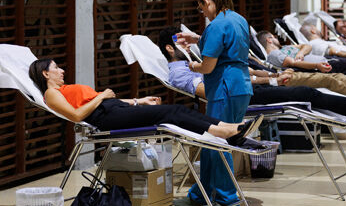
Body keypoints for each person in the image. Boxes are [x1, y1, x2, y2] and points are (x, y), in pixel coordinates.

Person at [158, 26, 346, 127]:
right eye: (181, 42)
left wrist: (262, 77)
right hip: (239, 97)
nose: (187, 44)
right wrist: (266, 80)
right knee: (306, 94)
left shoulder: (197, 62)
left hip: (247, 88)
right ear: (170, 48)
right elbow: (207, 92)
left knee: (310, 91)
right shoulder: (179, 70)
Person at [28, 58, 260, 145]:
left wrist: (139, 101)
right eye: (55, 68)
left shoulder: (66, 88)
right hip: (105, 118)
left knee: (175, 109)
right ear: (45, 74)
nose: (61, 70)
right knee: (169, 114)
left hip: (112, 109)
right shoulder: (51, 95)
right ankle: (221, 131)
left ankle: (225, 128)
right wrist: (101, 95)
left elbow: (105, 101)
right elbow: (77, 116)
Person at [172, 0, 253, 206]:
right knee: (210, 142)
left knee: (218, 143)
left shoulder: (216, 25)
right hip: (239, 86)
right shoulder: (237, 19)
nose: (203, 13)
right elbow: (228, 44)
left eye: (202, 9)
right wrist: (198, 38)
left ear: (208, 3)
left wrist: (192, 65)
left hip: (224, 89)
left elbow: (207, 66)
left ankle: (227, 199)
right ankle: (201, 195)